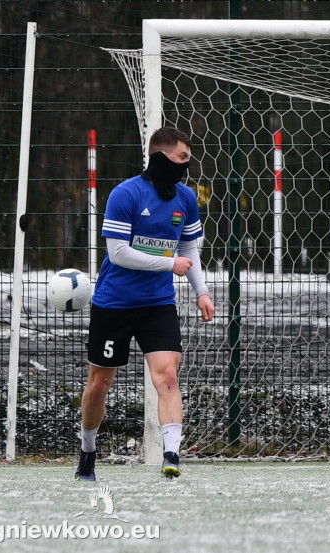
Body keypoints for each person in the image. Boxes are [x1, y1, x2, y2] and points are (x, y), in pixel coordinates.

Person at [75, 127, 215, 481]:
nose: (187, 165)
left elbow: (188, 249)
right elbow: (118, 254)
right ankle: (87, 451)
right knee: (99, 385)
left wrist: (202, 291)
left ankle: (172, 455)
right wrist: (169, 264)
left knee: (168, 375)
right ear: (160, 157)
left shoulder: (186, 198)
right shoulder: (126, 194)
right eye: (182, 158)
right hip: (115, 304)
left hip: (158, 304)